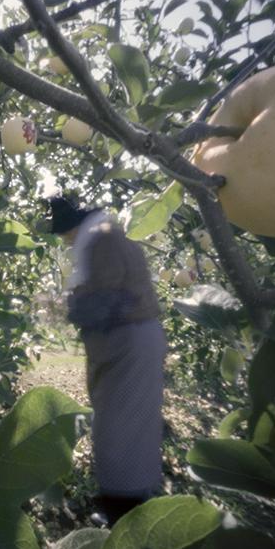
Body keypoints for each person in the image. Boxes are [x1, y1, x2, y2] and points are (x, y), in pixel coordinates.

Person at [48, 195, 167, 527]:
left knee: (120, 431)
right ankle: (132, 505)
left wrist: (63, 306)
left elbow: (110, 300)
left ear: (73, 227)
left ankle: (123, 515)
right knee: (132, 427)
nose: (65, 240)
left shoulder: (100, 238)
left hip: (127, 345)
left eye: (64, 234)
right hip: (133, 344)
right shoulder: (107, 233)